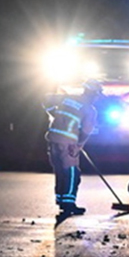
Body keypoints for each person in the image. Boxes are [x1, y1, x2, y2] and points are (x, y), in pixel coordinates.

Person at [43, 78, 103, 226]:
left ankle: (61, 201)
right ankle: (68, 204)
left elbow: (46, 100)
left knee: (60, 172)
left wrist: (54, 115)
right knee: (72, 173)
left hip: (53, 140)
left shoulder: (68, 98)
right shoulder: (89, 109)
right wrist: (78, 145)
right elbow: (86, 131)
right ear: (93, 94)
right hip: (68, 143)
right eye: (97, 95)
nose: (97, 98)